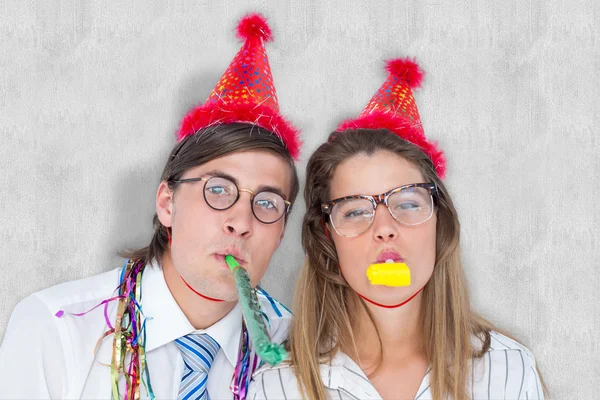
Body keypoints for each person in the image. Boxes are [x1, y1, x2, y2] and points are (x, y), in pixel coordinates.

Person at [0, 13, 301, 400]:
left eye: (266, 203)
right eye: (219, 190)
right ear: (167, 203)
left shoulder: (300, 351)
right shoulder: (56, 328)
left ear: (281, 232)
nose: (241, 223)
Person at [249, 58, 546, 400]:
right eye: (356, 211)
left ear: (438, 222)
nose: (385, 228)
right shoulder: (277, 386)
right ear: (329, 237)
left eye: (406, 204)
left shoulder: (509, 371)